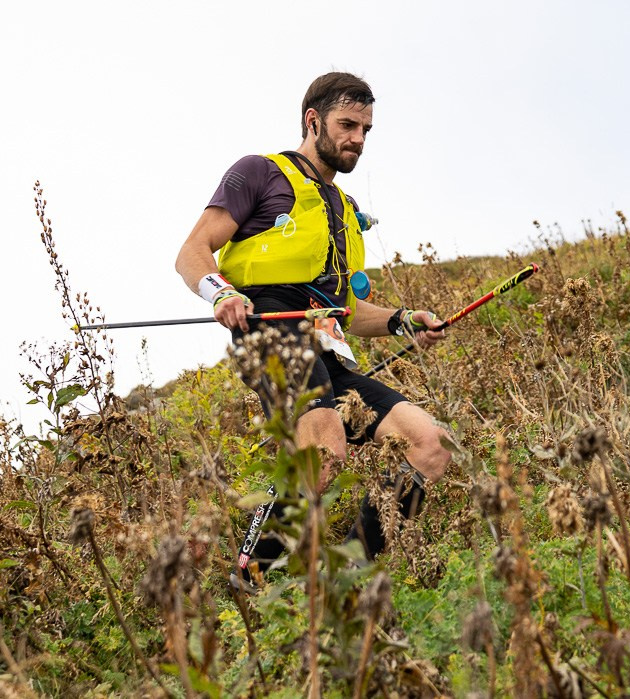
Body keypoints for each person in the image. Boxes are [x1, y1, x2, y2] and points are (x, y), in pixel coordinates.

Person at [174, 72, 452, 579]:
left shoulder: (344, 210)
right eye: (347, 125)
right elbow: (192, 252)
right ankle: (252, 574)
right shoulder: (260, 173)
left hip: (328, 346)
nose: (358, 139)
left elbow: (348, 309)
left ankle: (349, 575)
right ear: (313, 120)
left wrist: (403, 321)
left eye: (366, 129)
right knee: (325, 451)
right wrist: (221, 293)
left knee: (432, 445)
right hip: (269, 329)